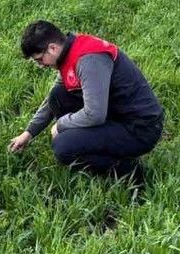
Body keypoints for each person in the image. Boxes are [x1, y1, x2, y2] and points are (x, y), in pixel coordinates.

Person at [8, 20, 163, 180]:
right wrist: (29, 133)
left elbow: (94, 115)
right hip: (116, 113)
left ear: (53, 48)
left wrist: (61, 125)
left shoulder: (89, 61)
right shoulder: (69, 52)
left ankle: (130, 172)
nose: (40, 65)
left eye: (40, 59)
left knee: (63, 147)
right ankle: (89, 142)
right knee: (58, 96)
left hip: (140, 129)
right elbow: (51, 100)